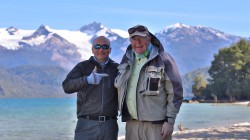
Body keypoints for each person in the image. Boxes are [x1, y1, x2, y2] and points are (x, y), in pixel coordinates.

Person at [114, 25, 183, 140]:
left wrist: (169, 121)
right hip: (131, 124)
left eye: (141, 38)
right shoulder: (126, 58)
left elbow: (175, 92)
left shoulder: (163, 59)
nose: (138, 42)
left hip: (156, 126)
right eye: (134, 39)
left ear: (149, 38)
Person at [62, 36, 119, 140]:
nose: (101, 49)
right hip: (86, 124)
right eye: (97, 46)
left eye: (105, 46)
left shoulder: (117, 68)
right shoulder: (82, 66)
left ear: (110, 50)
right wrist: (86, 80)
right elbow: (66, 86)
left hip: (110, 125)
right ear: (92, 49)